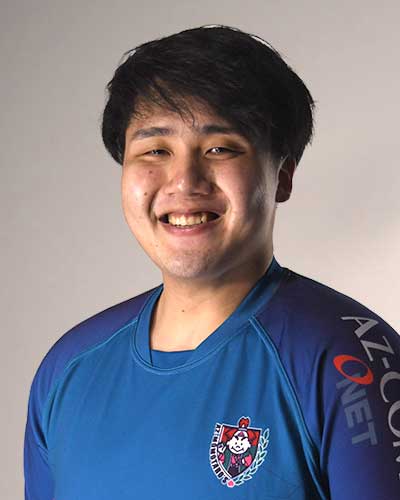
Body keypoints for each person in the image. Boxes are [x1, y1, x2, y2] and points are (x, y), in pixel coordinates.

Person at [24, 24, 400, 499]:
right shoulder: (67, 371)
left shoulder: (347, 361)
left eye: (220, 148)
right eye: (155, 150)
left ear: (282, 175)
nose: (184, 181)